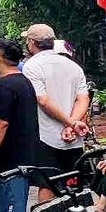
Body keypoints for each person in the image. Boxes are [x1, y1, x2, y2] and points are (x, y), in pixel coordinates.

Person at [21, 23, 90, 201]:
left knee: (47, 184)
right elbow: (83, 99)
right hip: (74, 138)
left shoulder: (32, 66)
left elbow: (43, 100)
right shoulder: (73, 66)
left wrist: (70, 123)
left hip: (46, 136)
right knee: (73, 184)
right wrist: (72, 124)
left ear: (31, 42)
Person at [0, 39, 38, 212]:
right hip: (23, 158)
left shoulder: (5, 85)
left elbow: (0, 124)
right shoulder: (24, 81)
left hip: (9, 163)